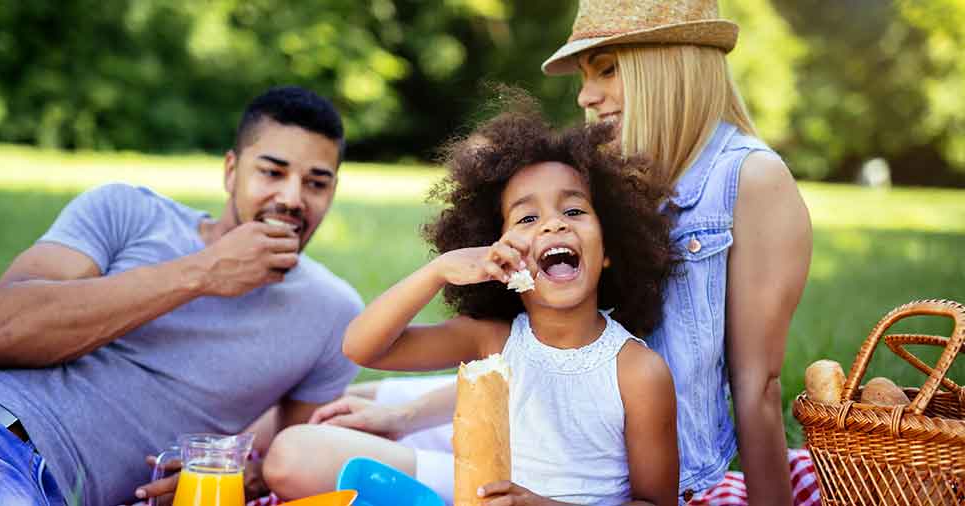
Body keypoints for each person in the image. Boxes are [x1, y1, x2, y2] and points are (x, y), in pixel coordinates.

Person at [306, 0, 817, 504]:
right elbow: (540, 362)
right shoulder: (617, 167)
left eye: (607, 70)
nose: (585, 98)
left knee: (299, 454)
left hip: (620, 456)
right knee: (342, 405)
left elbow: (758, 389)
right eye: (528, 218)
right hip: (535, 422)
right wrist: (406, 414)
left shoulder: (750, 180)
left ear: (671, 63)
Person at [263, 104, 681, 505]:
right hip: (476, 487)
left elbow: (654, 502)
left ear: (610, 247)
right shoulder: (493, 340)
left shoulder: (638, 371)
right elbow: (362, 347)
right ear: (499, 249)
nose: (555, 223)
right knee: (301, 447)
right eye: (527, 219)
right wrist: (439, 271)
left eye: (573, 210)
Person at [0, 86, 363, 506]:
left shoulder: (334, 315)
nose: (292, 199)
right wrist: (203, 272)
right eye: (272, 172)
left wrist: (252, 475)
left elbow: (290, 454)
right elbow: (3, 329)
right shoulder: (127, 212)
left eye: (316, 183)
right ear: (231, 171)